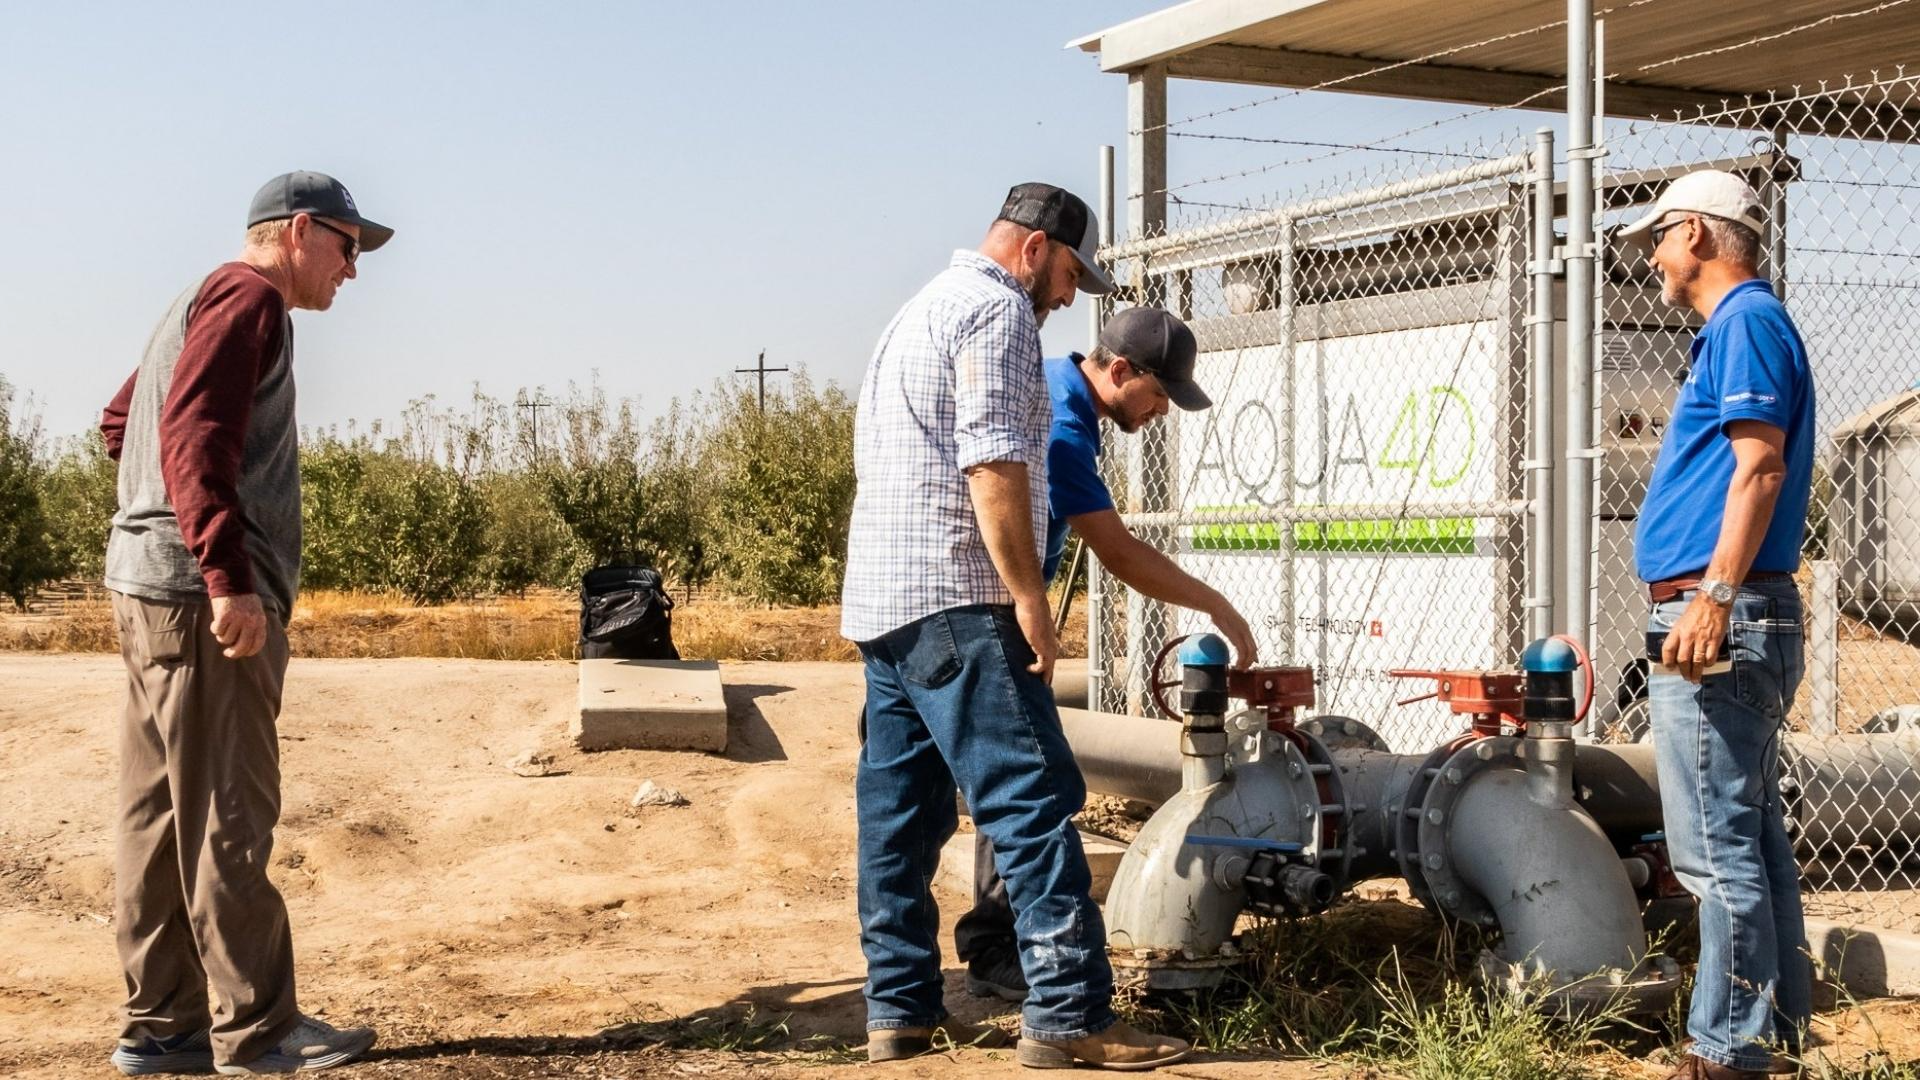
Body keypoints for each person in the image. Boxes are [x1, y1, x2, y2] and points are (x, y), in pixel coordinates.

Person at [840, 183, 1190, 1070]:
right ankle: (1071, 1017)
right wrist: (1028, 598)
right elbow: (992, 464)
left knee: (902, 817)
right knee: (1034, 802)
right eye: (1071, 273)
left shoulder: (916, 310)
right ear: (1035, 250)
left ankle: (899, 1013)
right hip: (960, 598)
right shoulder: (995, 316)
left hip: (885, 605)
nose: (1070, 298)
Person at [99, 171, 393, 1077]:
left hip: (148, 586)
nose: (352, 269)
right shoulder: (249, 297)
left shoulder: (193, 301)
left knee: (156, 822)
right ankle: (259, 1032)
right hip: (198, 599)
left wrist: (160, 516)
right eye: (347, 246)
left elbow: (123, 424)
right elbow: (189, 435)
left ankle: (164, 1029)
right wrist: (227, 574)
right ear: (297, 231)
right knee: (229, 811)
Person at [955, 307, 1258, 1004]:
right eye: (1158, 396)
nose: (1159, 413)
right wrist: (1215, 602)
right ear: (1119, 370)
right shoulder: (1061, 422)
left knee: (941, 789)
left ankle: (908, 986)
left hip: (948, 608)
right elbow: (1116, 550)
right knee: (1029, 780)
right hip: (988, 615)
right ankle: (1001, 948)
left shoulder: (1062, 394)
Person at [1622, 169, 1816, 1080]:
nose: (1652, 257)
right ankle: (1770, 1034)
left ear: (1695, 233)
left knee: (1711, 851)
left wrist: (1712, 597)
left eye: (1657, 237)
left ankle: (1726, 1048)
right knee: (1749, 834)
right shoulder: (1744, 328)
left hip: (1718, 617)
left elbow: (1760, 469)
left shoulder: (1741, 323)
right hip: (1737, 613)